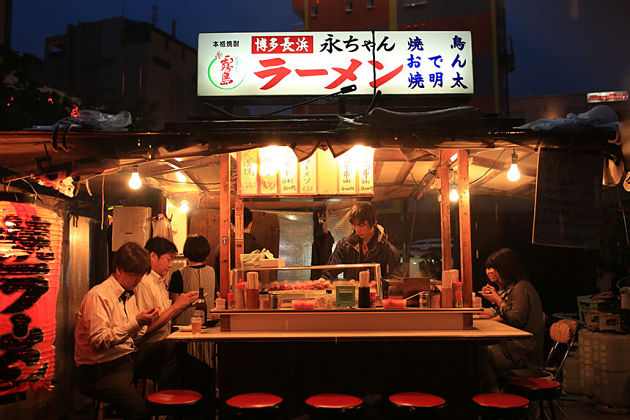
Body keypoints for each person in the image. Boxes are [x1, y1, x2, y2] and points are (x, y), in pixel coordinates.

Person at [74, 242, 158, 419]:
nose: (139, 280)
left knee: (173, 355)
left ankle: (168, 409)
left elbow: (133, 335)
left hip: (126, 359)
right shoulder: (98, 296)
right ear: (118, 270)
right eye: (135, 274)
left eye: (141, 275)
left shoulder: (128, 293)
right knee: (139, 410)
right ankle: (147, 407)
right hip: (100, 370)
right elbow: (98, 342)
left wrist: (144, 321)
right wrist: (136, 322)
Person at [134, 237, 212, 397]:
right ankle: (166, 406)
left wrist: (184, 304)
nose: (171, 265)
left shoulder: (160, 282)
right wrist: (176, 306)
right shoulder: (144, 283)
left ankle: (187, 411)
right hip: (148, 349)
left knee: (205, 372)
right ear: (153, 257)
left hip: (163, 346)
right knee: (175, 352)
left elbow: (166, 316)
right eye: (168, 259)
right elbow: (145, 330)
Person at [478, 248, 545, 392]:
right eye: (489, 268)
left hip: (523, 354)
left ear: (506, 268)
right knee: (478, 351)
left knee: (479, 354)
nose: (491, 272)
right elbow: (505, 313)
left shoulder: (521, 288)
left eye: (495, 268)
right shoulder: (515, 287)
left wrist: (497, 299)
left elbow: (515, 319)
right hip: (516, 349)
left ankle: (494, 396)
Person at [321, 202, 400, 282]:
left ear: (374, 223)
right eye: (354, 225)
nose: (357, 229)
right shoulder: (345, 245)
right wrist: (322, 281)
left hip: (375, 294)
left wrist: (379, 285)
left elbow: (395, 281)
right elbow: (330, 271)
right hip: (351, 293)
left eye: (361, 225)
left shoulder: (387, 250)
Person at [169, 234, 216, 325]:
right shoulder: (212, 271)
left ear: (187, 251)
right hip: (209, 324)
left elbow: (174, 306)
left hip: (184, 327)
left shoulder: (178, 274)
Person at [214, 207, 262, 287]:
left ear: (232, 225)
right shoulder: (260, 250)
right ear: (250, 224)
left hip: (228, 295)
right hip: (253, 295)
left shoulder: (221, 249)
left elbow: (217, 279)